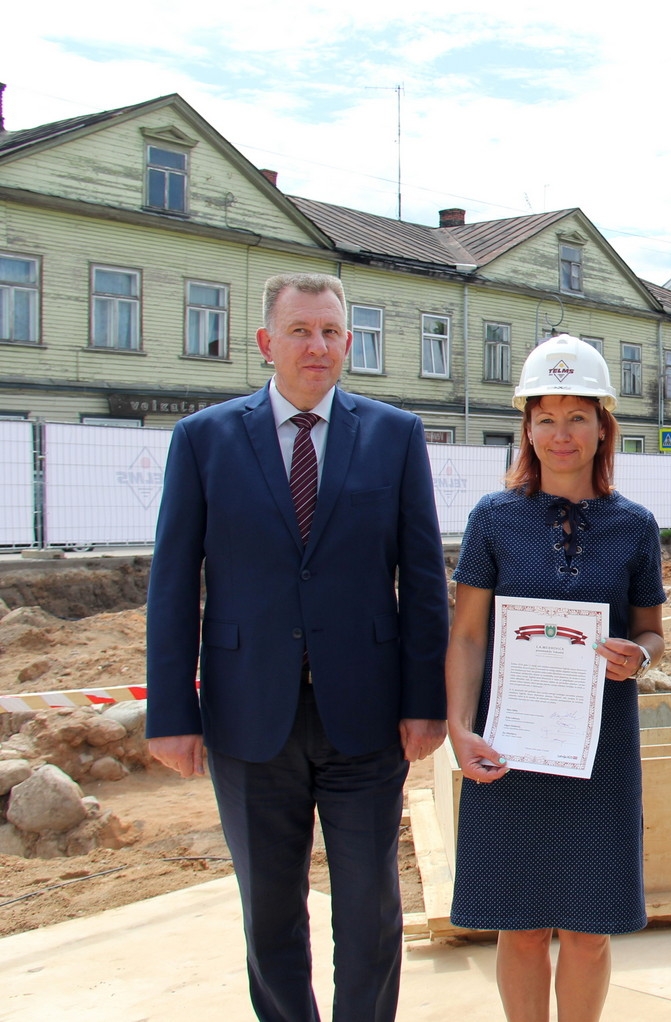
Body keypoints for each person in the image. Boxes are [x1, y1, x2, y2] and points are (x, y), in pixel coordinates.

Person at [146, 272, 449, 1021]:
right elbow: (175, 582)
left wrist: (424, 702)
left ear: (348, 343)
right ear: (265, 343)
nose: (317, 346)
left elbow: (421, 577)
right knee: (271, 913)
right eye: (300, 331)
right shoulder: (204, 439)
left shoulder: (395, 435)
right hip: (249, 718)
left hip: (367, 718)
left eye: (331, 332)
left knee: (370, 911)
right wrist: (170, 712)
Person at [445, 334, 666, 1022]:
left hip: (598, 750)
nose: (561, 434)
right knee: (521, 922)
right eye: (546, 417)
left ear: (604, 427)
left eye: (578, 417)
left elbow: (651, 628)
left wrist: (643, 656)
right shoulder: (493, 518)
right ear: (527, 427)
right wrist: (459, 727)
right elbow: (469, 633)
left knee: (588, 926)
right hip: (513, 746)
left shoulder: (635, 526)